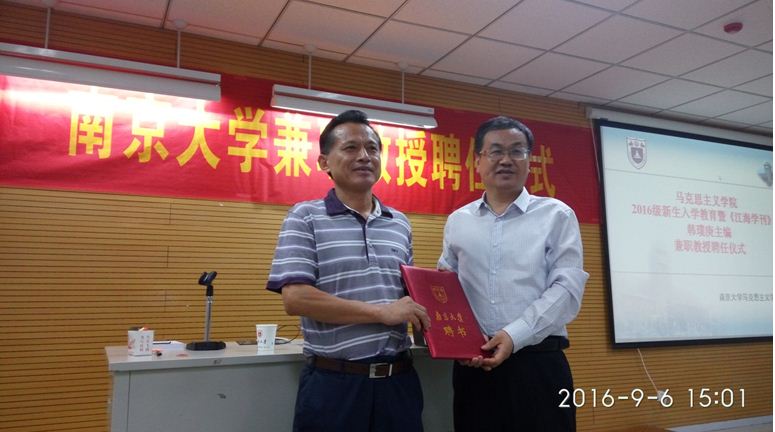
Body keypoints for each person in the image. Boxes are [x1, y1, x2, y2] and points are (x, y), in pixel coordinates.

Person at [267, 110, 431, 432]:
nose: (365, 156)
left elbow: (407, 297)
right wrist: (381, 313)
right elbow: (296, 298)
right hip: (334, 386)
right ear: (324, 162)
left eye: (372, 148)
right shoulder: (304, 217)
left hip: (398, 383)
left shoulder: (399, 223)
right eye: (351, 148)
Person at [438, 116, 588, 431]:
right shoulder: (458, 221)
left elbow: (567, 289)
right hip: (474, 367)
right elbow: (446, 287)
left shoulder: (557, 215)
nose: (506, 160)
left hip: (538, 366)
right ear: (478, 161)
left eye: (517, 151)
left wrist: (513, 335)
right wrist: (456, 340)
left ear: (529, 161)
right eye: (495, 151)